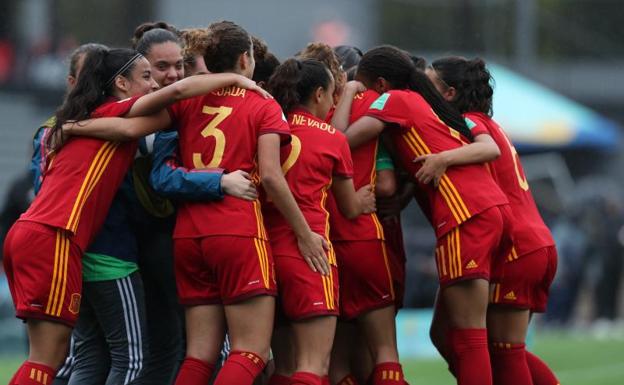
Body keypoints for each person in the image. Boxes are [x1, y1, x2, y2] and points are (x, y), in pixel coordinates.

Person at [62, 20, 328, 385]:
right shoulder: (262, 104)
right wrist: (305, 234)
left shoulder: (187, 103)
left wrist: (72, 127)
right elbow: (270, 176)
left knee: (198, 357)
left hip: (188, 236)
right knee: (249, 352)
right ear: (245, 59)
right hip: (238, 233)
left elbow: (127, 128)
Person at [332, 45, 512, 385]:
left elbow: (338, 141)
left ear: (381, 85)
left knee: (469, 337)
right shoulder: (423, 102)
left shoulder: (392, 100)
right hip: (488, 208)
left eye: (367, 88)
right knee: (447, 332)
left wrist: (349, 91)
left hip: (465, 212)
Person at [425, 56, 559, 385]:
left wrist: (442, 159)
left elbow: (488, 151)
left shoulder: (470, 122)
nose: (420, 91)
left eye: (428, 84)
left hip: (516, 246)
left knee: (505, 349)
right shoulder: (486, 123)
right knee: (447, 335)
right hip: (531, 243)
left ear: (450, 93)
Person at [263, 58, 375, 385]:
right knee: (314, 364)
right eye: (330, 94)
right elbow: (350, 207)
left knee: (283, 365)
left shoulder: (269, 127)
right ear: (318, 94)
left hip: (264, 247)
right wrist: (365, 200)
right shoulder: (331, 137)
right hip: (309, 252)